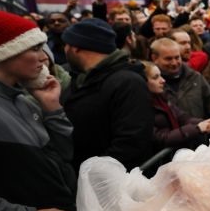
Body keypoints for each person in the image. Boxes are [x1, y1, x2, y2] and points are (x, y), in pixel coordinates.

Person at [0, 12, 78, 211]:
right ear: (4, 53)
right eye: (34, 49)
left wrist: (52, 108)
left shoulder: (25, 100)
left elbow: (63, 154)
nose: (44, 57)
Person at [62, 19, 154, 171]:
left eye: (66, 44)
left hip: (108, 184)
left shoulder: (128, 82)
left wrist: (93, 176)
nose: (64, 50)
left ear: (76, 47)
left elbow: (131, 142)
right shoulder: (81, 79)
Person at [150, 37, 210, 124]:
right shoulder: (150, 83)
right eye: (168, 59)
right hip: (170, 135)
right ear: (155, 58)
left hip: (198, 133)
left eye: (177, 58)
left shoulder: (194, 77)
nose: (174, 63)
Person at [142, 61, 210, 150]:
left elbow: (182, 117)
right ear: (143, 81)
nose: (163, 80)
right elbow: (161, 138)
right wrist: (197, 129)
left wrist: (204, 122)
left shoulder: (161, 98)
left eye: (160, 75)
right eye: (155, 77)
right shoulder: (141, 107)